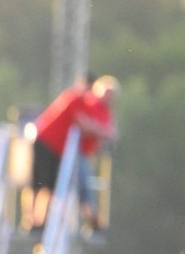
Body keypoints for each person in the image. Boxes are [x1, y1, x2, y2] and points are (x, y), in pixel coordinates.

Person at [26, 75, 119, 234]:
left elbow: (110, 131)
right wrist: (101, 131)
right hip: (47, 142)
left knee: (52, 187)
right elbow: (84, 124)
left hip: (64, 151)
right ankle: (35, 220)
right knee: (40, 184)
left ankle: (44, 220)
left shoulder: (100, 109)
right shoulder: (76, 99)